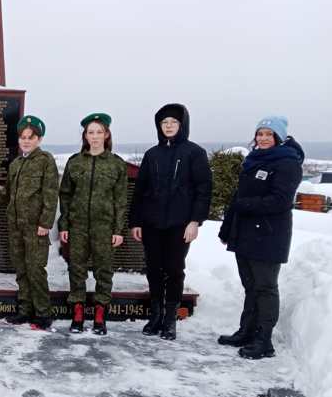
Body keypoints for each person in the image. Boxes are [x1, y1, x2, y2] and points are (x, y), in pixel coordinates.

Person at [218, 117, 303, 359]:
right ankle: (247, 331)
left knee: (265, 287)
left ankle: (264, 340)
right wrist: (227, 228)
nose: (263, 138)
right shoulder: (254, 160)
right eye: (260, 133)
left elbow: (281, 200)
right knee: (250, 287)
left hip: (268, 235)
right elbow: (238, 198)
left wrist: (245, 205)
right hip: (245, 233)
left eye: (268, 134)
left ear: (279, 137)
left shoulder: (287, 162)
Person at [128, 103, 212, 341]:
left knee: (174, 269)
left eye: (173, 122)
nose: (168, 126)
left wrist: (195, 221)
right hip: (152, 223)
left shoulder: (194, 153)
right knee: (154, 269)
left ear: (182, 125)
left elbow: (203, 190)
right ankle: (155, 315)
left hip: (180, 224)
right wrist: (136, 222)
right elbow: (140, 191)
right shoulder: (151, 155)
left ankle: (169, 320)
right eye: (164, 123)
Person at [0, 115, 59, 330]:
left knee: (35, 270)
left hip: (36, 227)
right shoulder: (16, 164)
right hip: (16, 227)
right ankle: (25, 311)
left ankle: (43, 314)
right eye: (23, 137)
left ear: (39, 139)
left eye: (31, 137)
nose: (26, 141)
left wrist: (45, 223)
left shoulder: (45, 161)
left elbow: (51, 194)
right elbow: (7, 193)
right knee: (21, 270)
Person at [58, 113, 127, 335]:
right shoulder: (75, 162)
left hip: (104, 227)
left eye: (99, 132)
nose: (95, 136)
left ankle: (100, 314)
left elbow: (121, 199)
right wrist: (64, 225)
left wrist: (118, 230)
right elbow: (65, 196)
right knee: (76, 269)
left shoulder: (116, 164)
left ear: (106, 135)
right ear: (85, 136)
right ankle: (77, 312)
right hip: (77, 226)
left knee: (103, 271)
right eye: (91, 132)